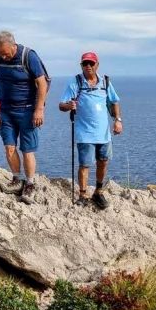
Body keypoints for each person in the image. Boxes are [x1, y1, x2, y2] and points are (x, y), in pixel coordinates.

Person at [0, 30, 49, 204]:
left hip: (27, 110)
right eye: (0, 53)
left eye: (5, 53)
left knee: (27, 150)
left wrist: (39, 109)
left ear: (14, 45)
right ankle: (16, 179)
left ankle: (30, 183)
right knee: (9, 147)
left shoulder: (28, 56)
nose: (3, 57)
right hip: (6, 110)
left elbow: (42, 82)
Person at [58, 51, 122, 209]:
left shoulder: (105, 82)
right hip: (85, 133)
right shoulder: (76, 82)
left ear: (97, 65)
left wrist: (118, 120)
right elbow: (61, 105)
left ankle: (98, 192)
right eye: (84, 64)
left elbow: (114, 101)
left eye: (91, 63)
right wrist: (69, 106)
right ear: (81, 66)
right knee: (85, 164)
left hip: (104, 133)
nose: (88, 66)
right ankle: (82, 195)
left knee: (103, 162)